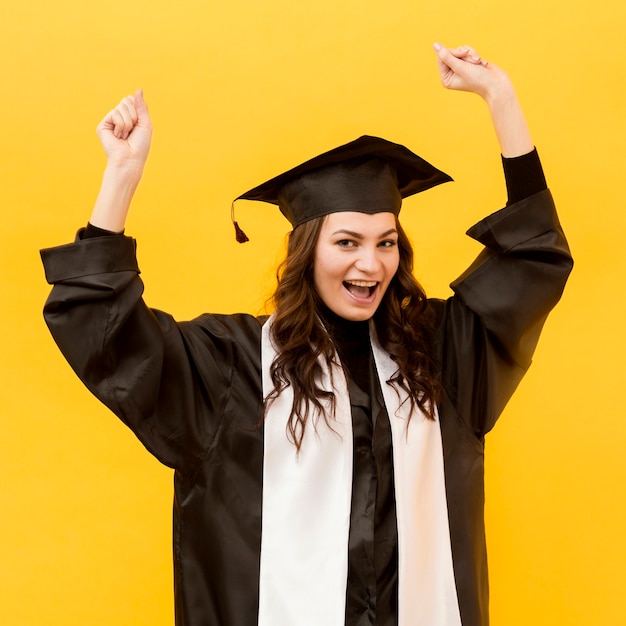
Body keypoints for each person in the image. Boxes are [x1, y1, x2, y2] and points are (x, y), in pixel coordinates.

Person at [41, 43, 573, 626]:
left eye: (385, 241)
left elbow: (531, 262)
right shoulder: (231, 368)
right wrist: (120, 176)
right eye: (347, 242)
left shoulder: (441, 356)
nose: (370, 264)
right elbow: (104, 331)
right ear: (306, 250)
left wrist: (501, 99)